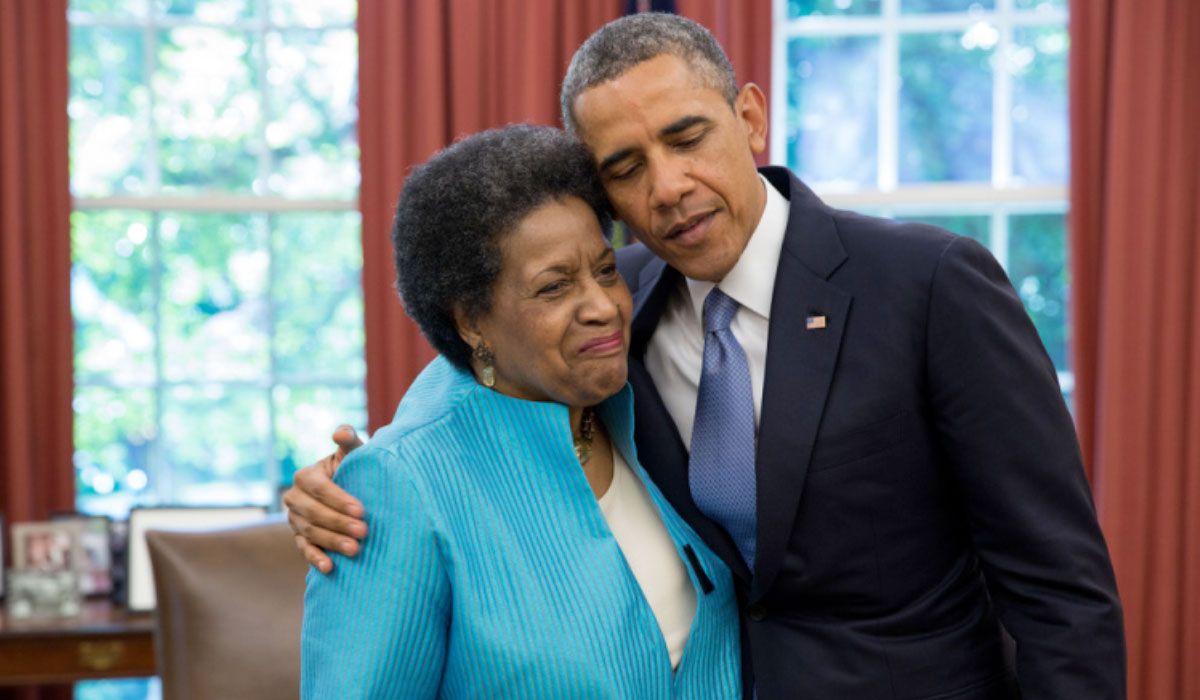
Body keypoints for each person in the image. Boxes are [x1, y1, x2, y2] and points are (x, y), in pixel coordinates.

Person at [288, 13, 1126, 699]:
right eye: (626, 167)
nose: (668, 187)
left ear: (750, 117)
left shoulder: (930, 285)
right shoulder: (620, 301)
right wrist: (347, 480)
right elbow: (489, 370)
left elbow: (1061, 591)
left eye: (687, 137)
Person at [300, 123, 741, 699]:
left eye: (606, 270)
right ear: (470, 320)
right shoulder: (398, 488)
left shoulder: (638, 397)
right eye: (554, 288)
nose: (603, 307)